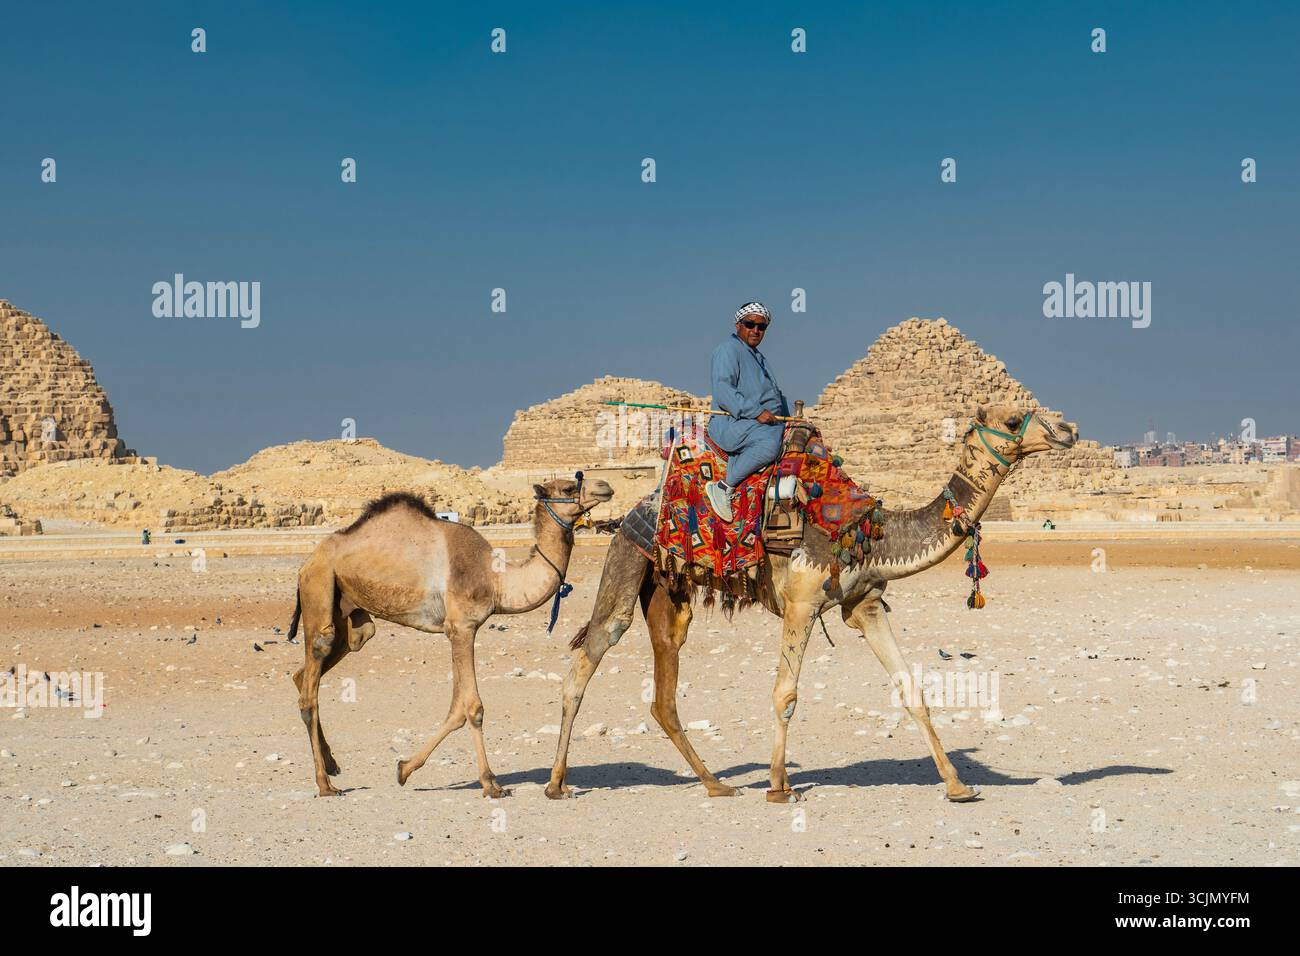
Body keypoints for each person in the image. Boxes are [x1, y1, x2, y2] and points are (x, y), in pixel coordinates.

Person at [703, 302, 788, 522]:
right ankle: (724, 487)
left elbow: (773, 394)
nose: (756, 330)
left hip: (759, 421)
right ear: (738, 324)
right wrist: (756, 411)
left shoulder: (757, 357)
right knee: (769, 446)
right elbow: (723, 391)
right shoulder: (728, 350)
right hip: (732, 423)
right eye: (750, 324)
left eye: (761, 327)